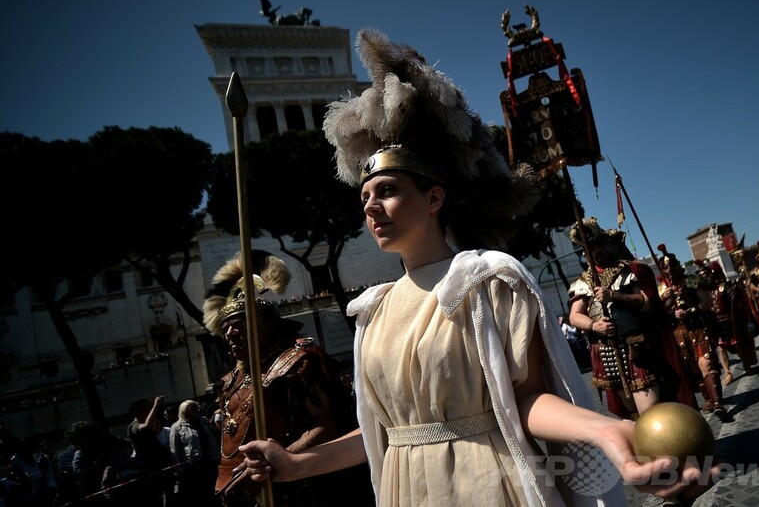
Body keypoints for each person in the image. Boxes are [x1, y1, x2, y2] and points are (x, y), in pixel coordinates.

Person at [234, 29, 716, 506]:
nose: (371, 207)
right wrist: (296, 464)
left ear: (434, 198)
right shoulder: (372, 312)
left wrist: (609, 430)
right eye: (365, 197)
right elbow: (385, 433)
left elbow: (525, 399)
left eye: (388, 190)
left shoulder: (488, 281)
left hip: (487, 483)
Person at [202, 250, 374, 507]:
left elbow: (328, 425)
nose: (230, 334)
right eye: (226, 327)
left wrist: (278, 460)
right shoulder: (232, 379)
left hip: (305, 491)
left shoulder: (299, 361)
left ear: (268, 324)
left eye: (240, 323)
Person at [567, 218, 698, 421]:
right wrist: (595, 326)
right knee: (632, 416)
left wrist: (613, 296)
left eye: (600, 245)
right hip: (607, 351)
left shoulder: (628, 271)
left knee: (649, 412)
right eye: (591, 248)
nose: (598, 251)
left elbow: (645, 302)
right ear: (586, 253)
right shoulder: (584, 282)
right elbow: (575, 316)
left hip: (636, 347)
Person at [657, 245, 730, 422]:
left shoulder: (692, 281)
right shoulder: (662, 289)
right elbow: (656, 312)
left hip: (697, 329)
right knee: (693, 370)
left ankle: (718, 403)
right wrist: (664, 298)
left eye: (671, 266)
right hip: (678, 334)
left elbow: (707, 302)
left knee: (706, 363)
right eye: (665, 267)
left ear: (677, 265)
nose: (669, 270)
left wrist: (689, 312)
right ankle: (708, 398)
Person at [701, 261, 758, 385]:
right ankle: (728, 373)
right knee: (721, 348)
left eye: (708, 275)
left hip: (730, 322)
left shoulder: (724, 287)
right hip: (717, 324)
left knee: (738, 345)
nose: (706, 278)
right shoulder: (705, 291)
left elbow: (735, 299)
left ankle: (746, 365)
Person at [169, 400, 219, 506]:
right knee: (199, 494)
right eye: (193, 408)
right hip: (193, 466)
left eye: (197, 407)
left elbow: (215, 433)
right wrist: (179, 469)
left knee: (213, 490)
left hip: (210, 461)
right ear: (184, 411)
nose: (197, 410)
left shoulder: (203, 421)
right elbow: (174, 450)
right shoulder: (176, 427)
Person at [127, 395, 175, 507]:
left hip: (162, 464)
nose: (148, 411)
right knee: (157, 497)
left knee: (169, 494)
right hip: (149, 467)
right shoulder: (134, 426)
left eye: (149, 408)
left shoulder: (150, 421)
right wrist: (155, 405)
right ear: (136, 412)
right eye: (145, 408)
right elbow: (147, 426)